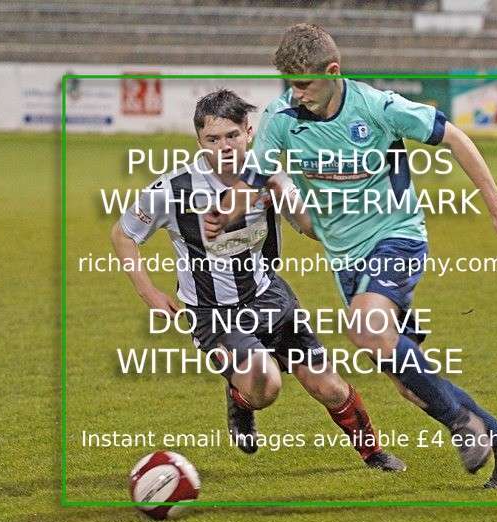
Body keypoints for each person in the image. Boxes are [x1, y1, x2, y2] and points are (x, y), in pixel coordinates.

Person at [204, 24, 497, 489]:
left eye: (303, 82)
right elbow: (255, 181)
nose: (295, 92)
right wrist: (226, 213)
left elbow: (456, 138)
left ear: (333, 72)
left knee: (366, 329)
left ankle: (466, 426)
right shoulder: (282, 119)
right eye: (288, 83)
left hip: (396, 238)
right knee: (408, 384)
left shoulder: (379, 107)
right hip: (347, 263)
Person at [111, 88, 405, 472]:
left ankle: (373, 454)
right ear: (199, 142)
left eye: (232, 135)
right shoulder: (173, 189)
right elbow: (123, 234)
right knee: (267, 386)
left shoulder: (269, 177)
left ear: (249, 132)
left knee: (329, 387)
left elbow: (309, 228)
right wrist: (147, 291)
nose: (224, 147)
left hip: (270, 298)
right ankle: (242, 396)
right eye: (212, 140)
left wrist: (293, 197)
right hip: (213, 313)